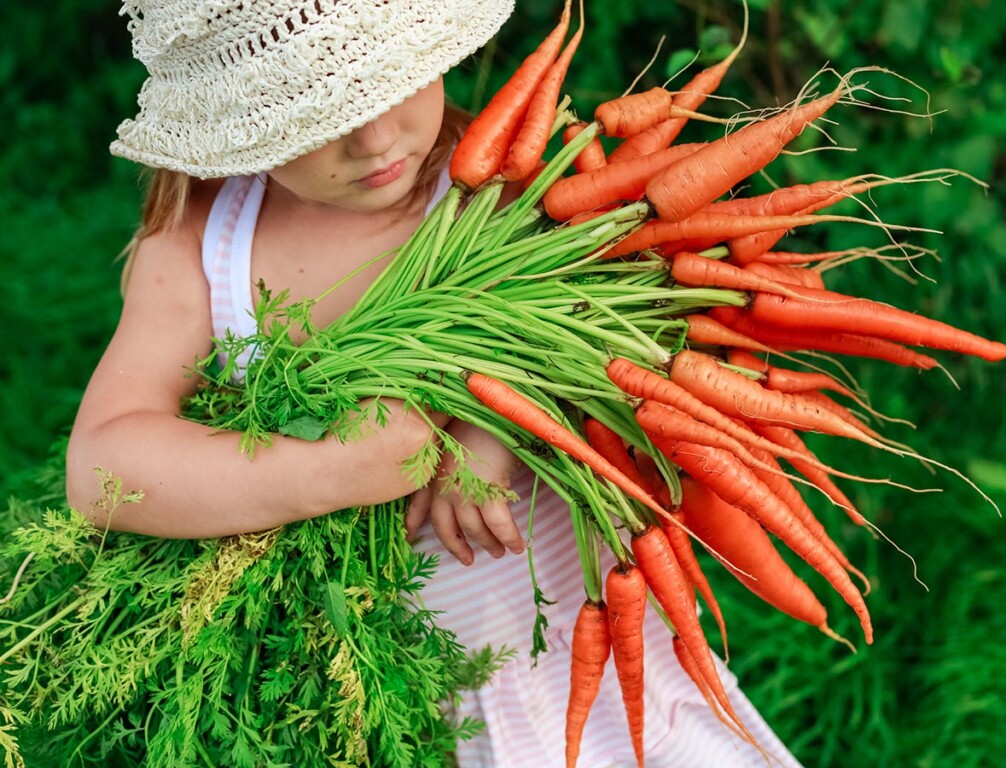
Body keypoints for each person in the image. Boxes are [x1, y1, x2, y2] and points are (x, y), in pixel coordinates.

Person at [66, 0, 804, 765]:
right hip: (387, 702)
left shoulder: (513, 184)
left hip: (594, 662)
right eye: (320, 112)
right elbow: (101, 467)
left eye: (393, 82)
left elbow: (620, 330)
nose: (374, 137)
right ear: (237, 121)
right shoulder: (202, 247)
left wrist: (500, 428)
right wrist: (325, 472)